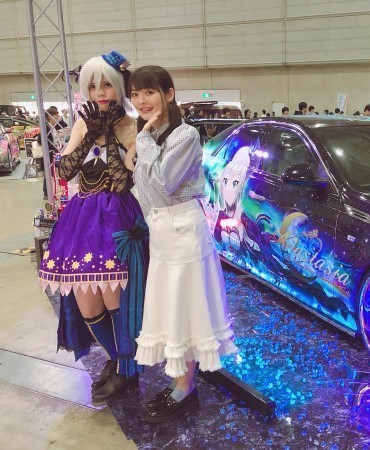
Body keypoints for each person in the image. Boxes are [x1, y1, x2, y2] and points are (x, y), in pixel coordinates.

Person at [128, 65, 238, 423]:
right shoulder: (153, 135)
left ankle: (185, 388)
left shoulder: (185, 134)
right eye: (135, 94)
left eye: (149, 92)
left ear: (169, 94)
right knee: (172, 308)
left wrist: (142, 142)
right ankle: (182, 383)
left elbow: (162, 185)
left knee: (185, 308)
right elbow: (145, 192)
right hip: (162, 233)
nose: (141, 100)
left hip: (183, 232)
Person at [38, 51, 147, 402]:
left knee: (118, 302)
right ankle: (119, 362)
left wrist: (111, 134)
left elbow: (122, 181)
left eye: (107, 85)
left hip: (116, 219)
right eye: (93, 86)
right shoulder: (83, 123)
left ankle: (127, 370)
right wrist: (88, 135)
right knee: (88, 306)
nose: (100, 92)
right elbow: (65, 170)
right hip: (80, 221)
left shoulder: (135, 125)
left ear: (120, 86)